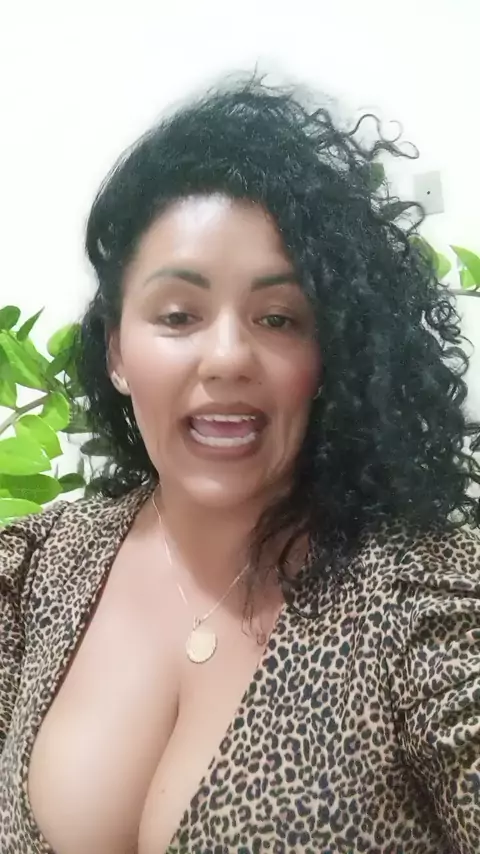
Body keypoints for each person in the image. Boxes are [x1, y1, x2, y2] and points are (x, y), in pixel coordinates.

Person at [1, 75, 480, 854]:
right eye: (178, 315)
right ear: (117, 351)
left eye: (279, 318)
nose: (227, 356)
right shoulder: (35, 574)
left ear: (328, 358)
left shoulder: (426, 600)